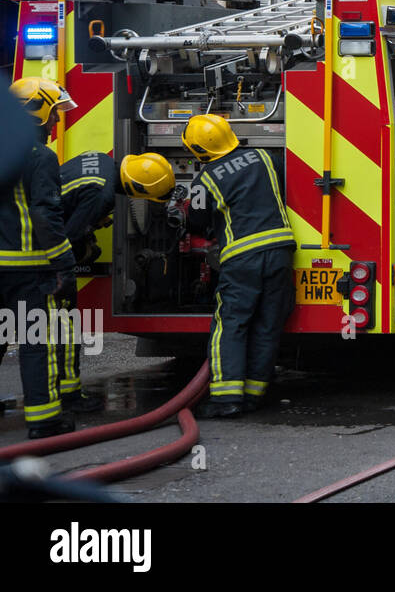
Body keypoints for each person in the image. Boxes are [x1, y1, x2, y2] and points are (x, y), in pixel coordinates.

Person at [183, 114, 296, 418]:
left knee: (231, 323)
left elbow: (195, 221)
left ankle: (226, 398)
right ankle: (255, 394)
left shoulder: (203, 180)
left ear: (199, 151)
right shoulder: (265, 157)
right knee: (268, 323)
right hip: (281, 251)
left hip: (242, 258)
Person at [54, 150, 176, 412]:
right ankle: (68, 397)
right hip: (42, 257)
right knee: (62, 326)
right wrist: (81, 252)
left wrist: (92, 220)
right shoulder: (103, 194)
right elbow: (67, 237)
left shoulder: (100, 160)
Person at [1, 78, 77, 438]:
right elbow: (46, 214)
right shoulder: (39, 156)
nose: (56, 123)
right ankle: (44, 420)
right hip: (26, 269)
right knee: (35, 342)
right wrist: (63, 265)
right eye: (53, 116)